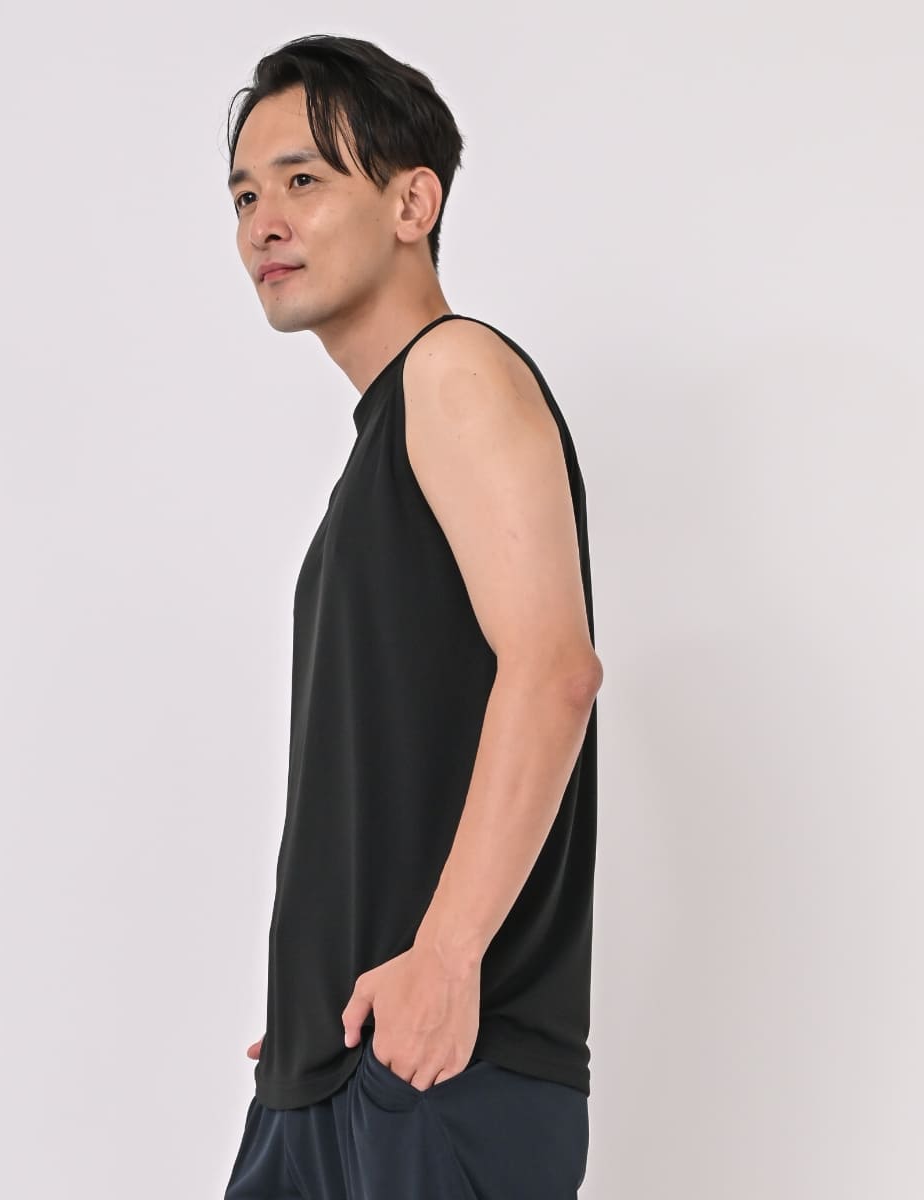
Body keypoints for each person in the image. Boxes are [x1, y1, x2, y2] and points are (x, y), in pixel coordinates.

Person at [221, 34, 601, 1199]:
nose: (264, 222)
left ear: (411, 203)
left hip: (439, 1069)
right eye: (244, 196)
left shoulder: (455, 372)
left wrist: (444, 957)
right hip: (336, 1065)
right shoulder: (379, 451)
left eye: (301, 179)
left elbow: (554, 669)